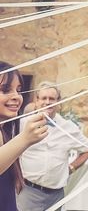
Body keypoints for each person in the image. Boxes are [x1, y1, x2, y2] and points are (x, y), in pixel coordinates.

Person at [16, 81, 88, 210]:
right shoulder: (23, 124)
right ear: (37, 101)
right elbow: (13, 152)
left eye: (52, 99)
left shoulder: (68, 127)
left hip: (56, 195)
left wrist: (71, 168)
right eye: (44, 98)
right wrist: (15, 177)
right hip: (28, 191)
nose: (47, 102)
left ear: (59, 102)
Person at [0, 62, 48, 211]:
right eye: (5, 89)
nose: (16, 97)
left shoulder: (5, 130)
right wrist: (25, 139)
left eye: (19, 90)